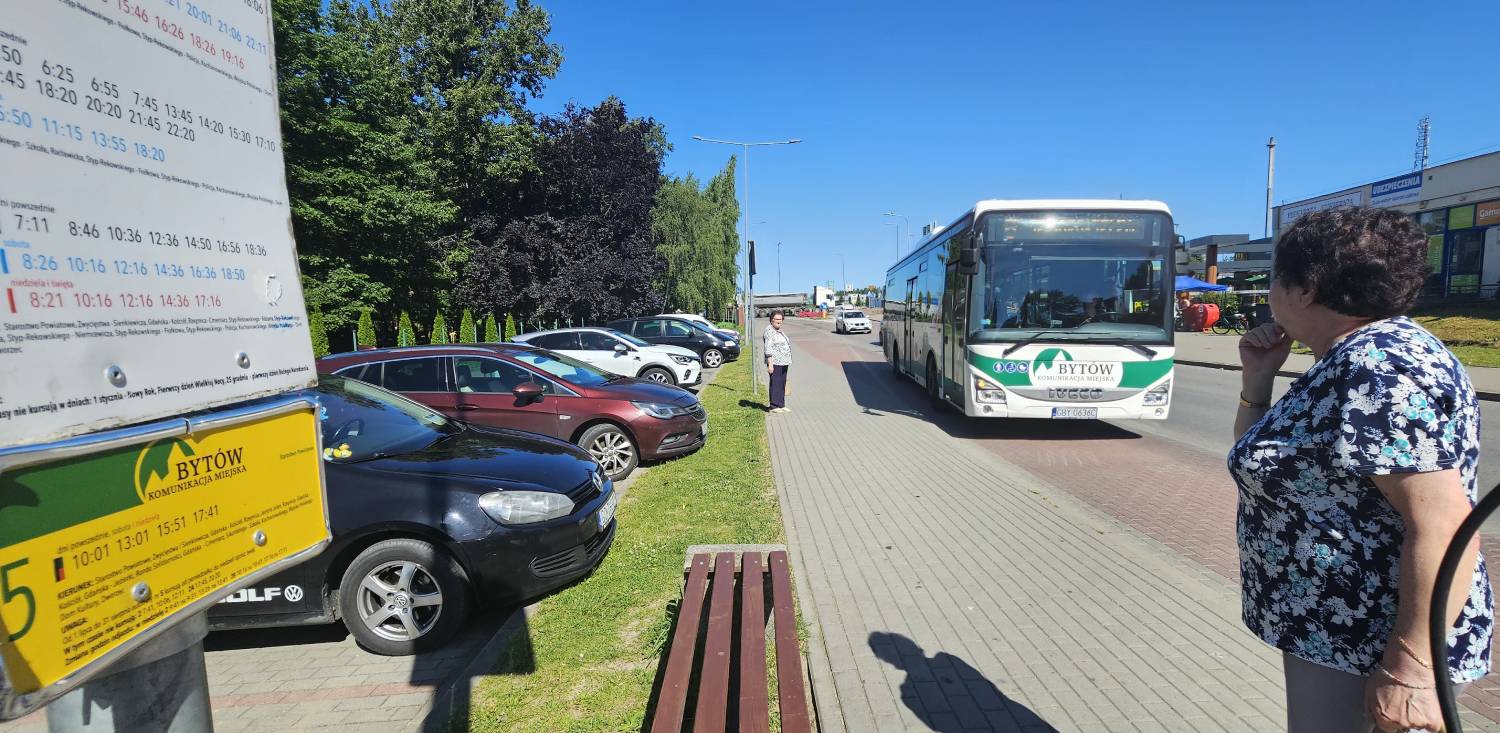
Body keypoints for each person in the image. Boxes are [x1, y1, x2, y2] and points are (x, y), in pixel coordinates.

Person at [1230, 207, 1491, 733]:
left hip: (1371, 638)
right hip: (1335, 630)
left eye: (1276, 279)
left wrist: (1412, 671)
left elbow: (1443, 524)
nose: (1270, 294)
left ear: (1306, 289)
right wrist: (1257, 381)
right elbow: (1259, 465)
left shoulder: (1379, 367)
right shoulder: (1348, 357)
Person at [764, 311, 792, 413]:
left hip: (783, 361)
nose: (779, 321)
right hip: (775, 362)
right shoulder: (769, 331)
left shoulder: (779, 330)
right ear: (772, 320)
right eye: (777, 319)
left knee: (782, 383)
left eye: (781, 319)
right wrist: (770, 364)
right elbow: (768, 349)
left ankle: (781, 404)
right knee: (775, 383)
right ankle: (774, 406)